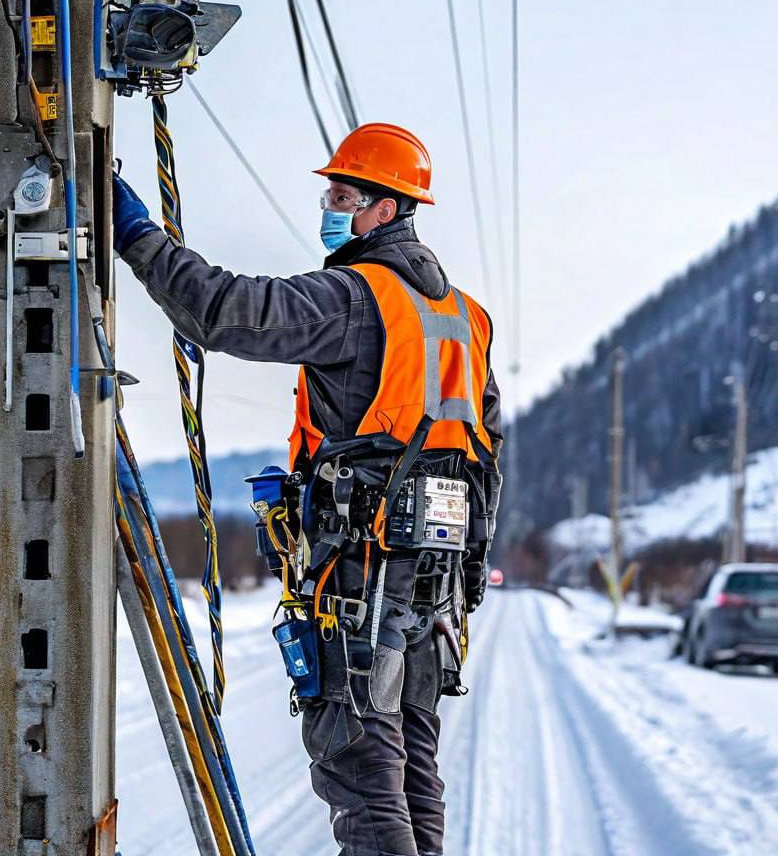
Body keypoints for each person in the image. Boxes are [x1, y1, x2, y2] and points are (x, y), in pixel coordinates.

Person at [113, 122, 502, 856]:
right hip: (432, 587)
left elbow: (222, 310)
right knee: (411, 769)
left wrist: (132, 226)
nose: (328, 203)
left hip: (365, 580)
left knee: (360, 774)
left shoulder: (357, 297)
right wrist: (470, 573)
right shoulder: (467, 319)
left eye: (343, 193)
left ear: (386, 208)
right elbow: (486, 460)